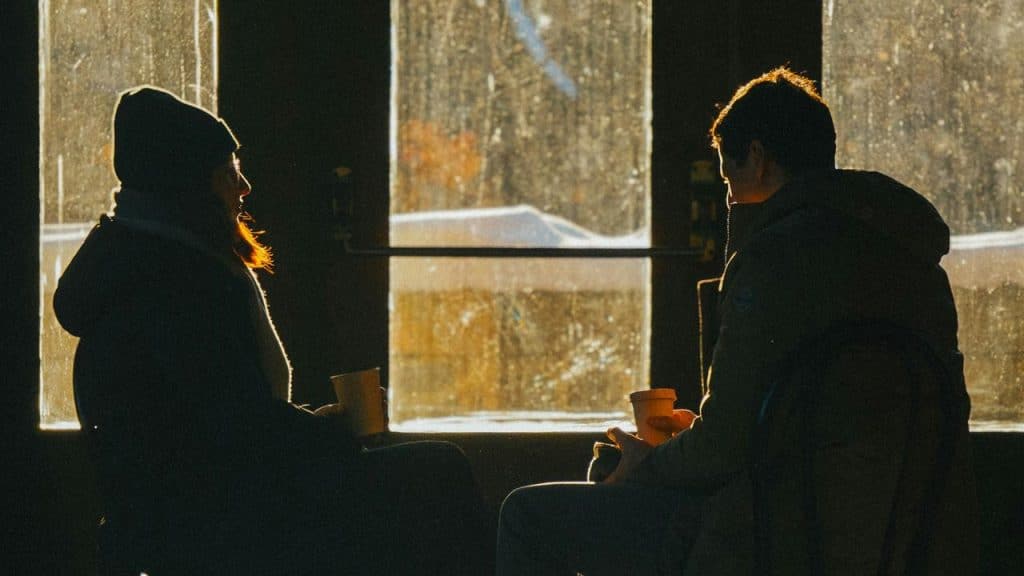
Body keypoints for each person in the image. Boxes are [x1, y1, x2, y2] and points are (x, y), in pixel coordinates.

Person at [496, 67, 978, 575]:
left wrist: (651, 462)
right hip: (903, 545)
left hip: (767, 540)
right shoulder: (918, 267)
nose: (729, 199)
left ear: (757, 156)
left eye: (729, 178)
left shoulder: (776, 260)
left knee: (531, 513)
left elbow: (726, 448)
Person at [54, 86, 492, 576]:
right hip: (230, 522)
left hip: (188, 518)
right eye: (228, 173)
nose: (244, 188)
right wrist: (332, 429)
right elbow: (239, 430)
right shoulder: (183, 289)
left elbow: (219, 415)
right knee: (439, 473)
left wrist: (313, 426)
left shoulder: (142, 271)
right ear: (191, 187)